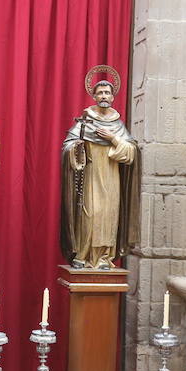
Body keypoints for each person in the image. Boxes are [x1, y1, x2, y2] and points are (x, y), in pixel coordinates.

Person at [60, 75, 139, 269]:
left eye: (107, 93)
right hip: (91, 177)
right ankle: (83, 254)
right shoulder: (84, 123)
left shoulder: (118, 126)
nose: (104, 96)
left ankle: (104, 257)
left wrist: (113, 138)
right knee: (90, 214)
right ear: (94, 96)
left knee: (108, 215)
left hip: (112, 178)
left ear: (113, 97)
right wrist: (76, 148)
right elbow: (67, 147)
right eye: (100, 93)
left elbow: (131, 152)